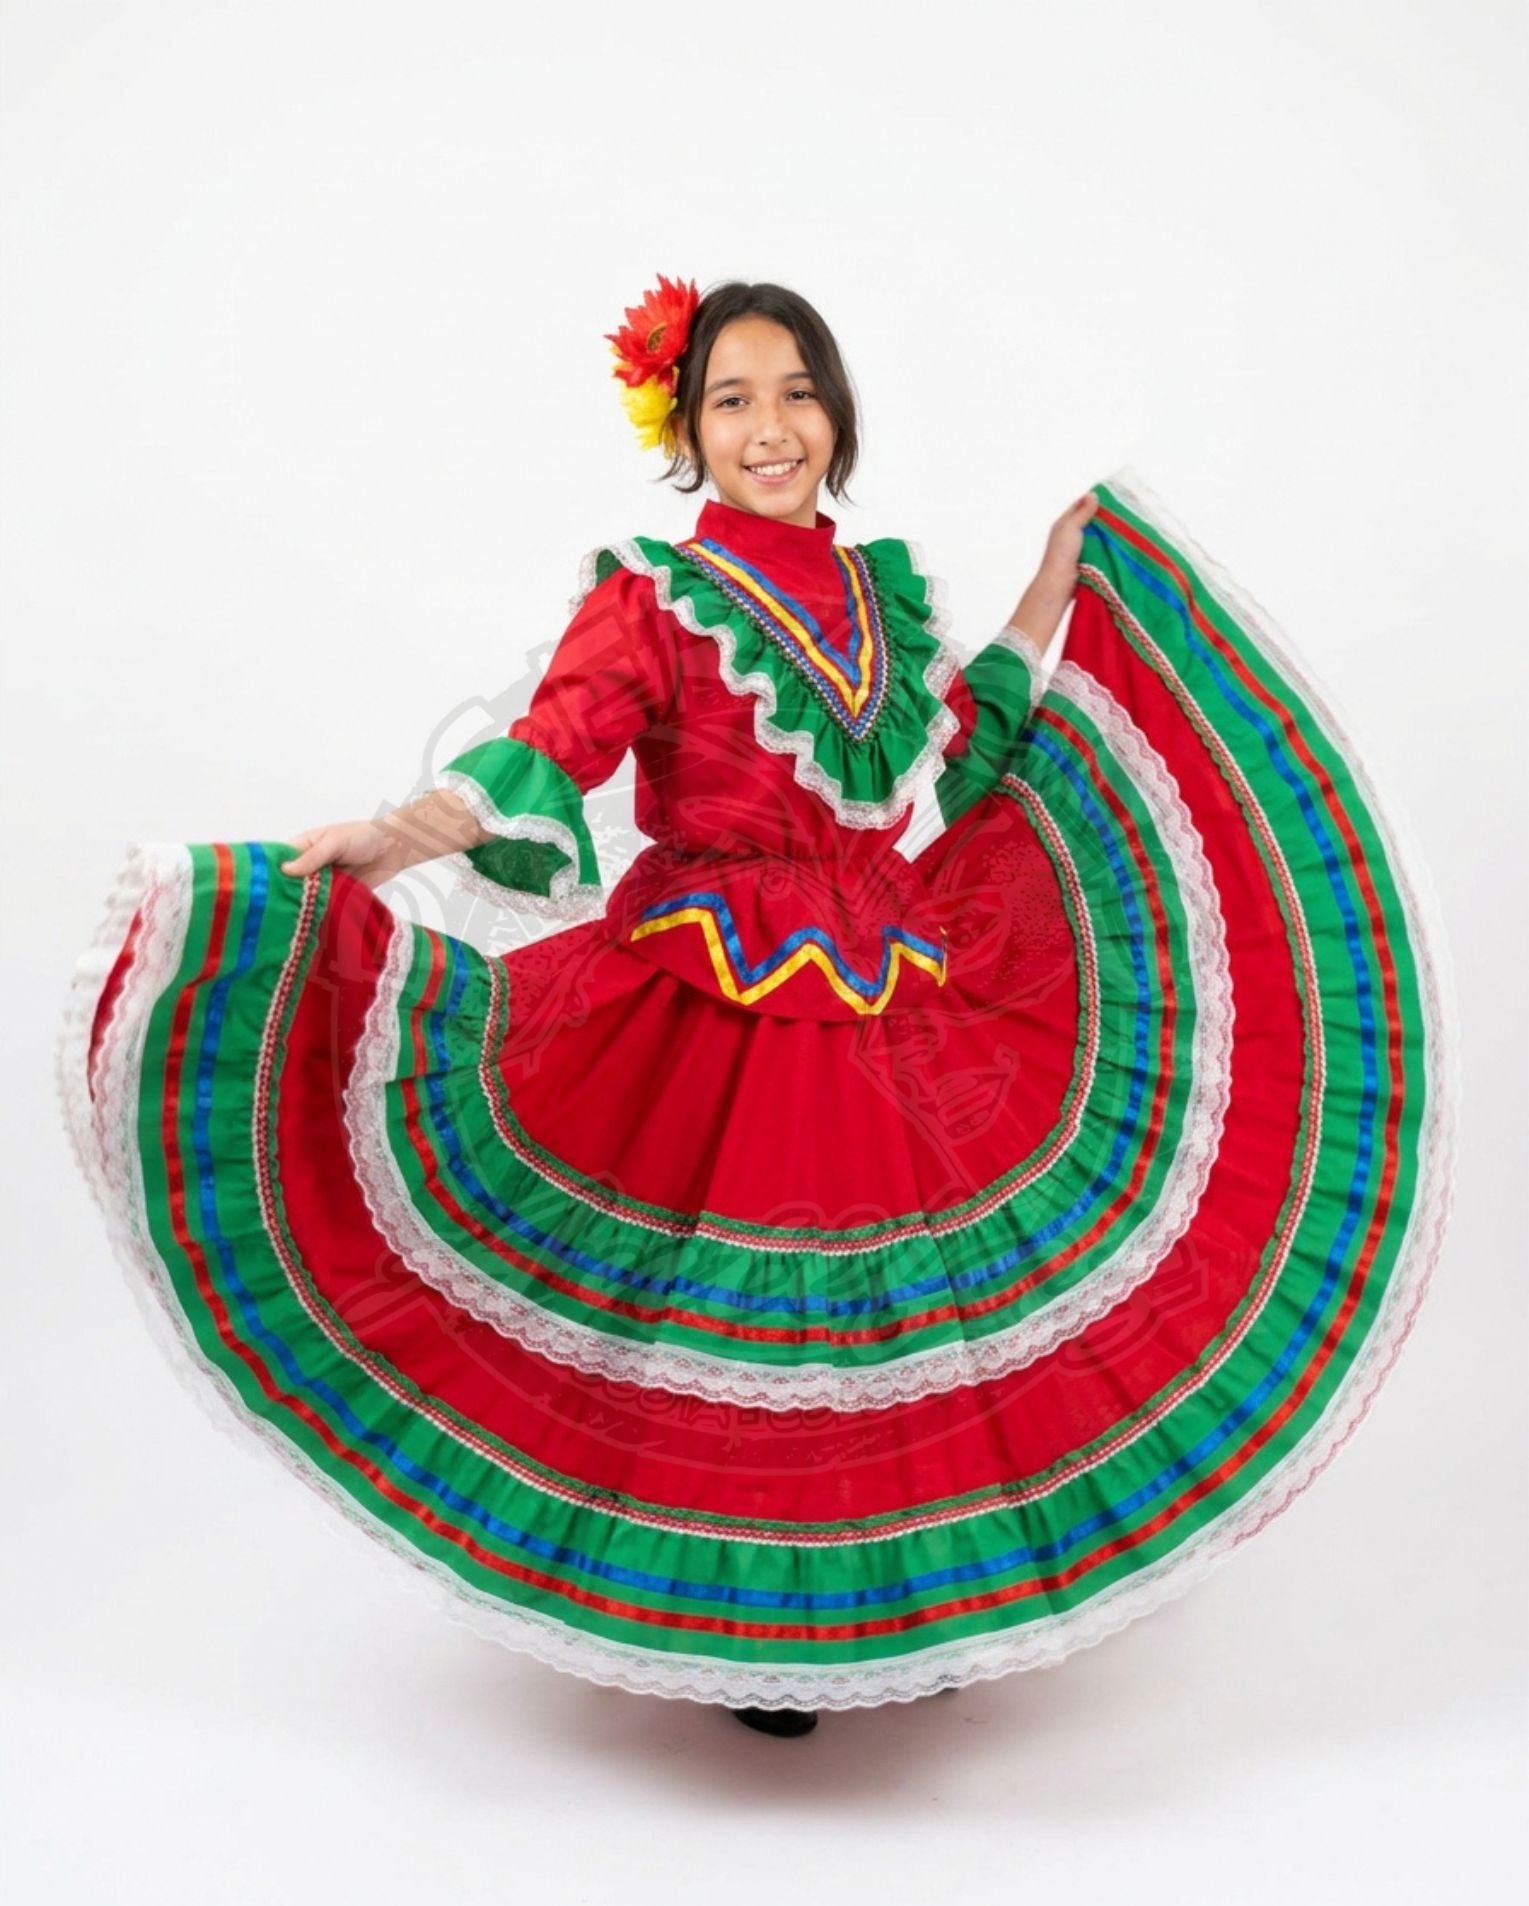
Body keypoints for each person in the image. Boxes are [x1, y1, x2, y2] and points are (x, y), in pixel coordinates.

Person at [57, 273, 1458, 1742]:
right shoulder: (652, 597)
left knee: (888, 1318)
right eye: (730, 400)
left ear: (836, 416)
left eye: (795, 393)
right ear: (687, 432)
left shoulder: (883, 601)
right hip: (707, 996)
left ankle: (880, 1611)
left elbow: (963, 753)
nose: (769, 426)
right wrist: (394, 837)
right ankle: (755, 1632)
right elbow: (553, 743)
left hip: (885, 987)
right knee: (736, 1321)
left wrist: (1056, 583)